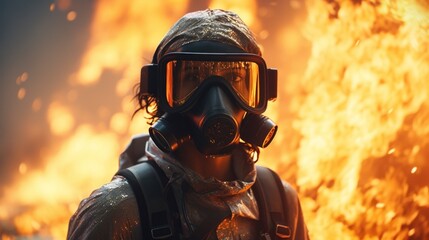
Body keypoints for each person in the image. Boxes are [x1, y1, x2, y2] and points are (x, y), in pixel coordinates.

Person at [67, 9, 309, 240]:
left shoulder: (280, 204)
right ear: (161, 94)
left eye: (234, 78)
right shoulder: (115, 212)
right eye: (192, 78)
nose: (217, 100)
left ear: (259, 93)